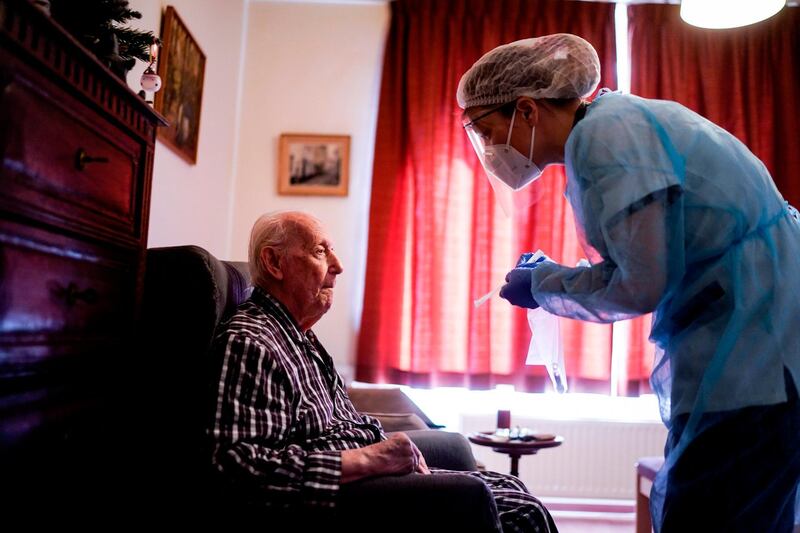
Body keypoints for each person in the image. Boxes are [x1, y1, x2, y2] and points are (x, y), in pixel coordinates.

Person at [456, 33, 800, 532]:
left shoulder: (606, 139)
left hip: (758, 362)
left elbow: (640, 285)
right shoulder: (615, 126)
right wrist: (551, 278)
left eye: (487, 132)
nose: (488, 148)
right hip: (756, 350)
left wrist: (544, 285)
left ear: (528, 111)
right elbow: (645, 261)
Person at [209, 211, 558, 532]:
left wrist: (384, 446)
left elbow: (335, 424)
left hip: (368, 476)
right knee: (518, 514)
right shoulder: (251, 343)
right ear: (274, 262)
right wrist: (368, 459)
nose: (338, 266)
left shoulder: (299, 335)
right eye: (320, 251)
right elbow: (239, 469)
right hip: (340, 499)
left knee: (513, 490)